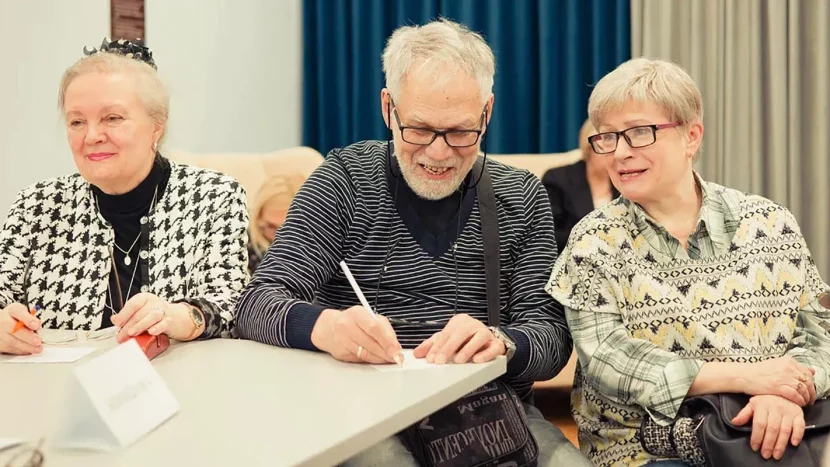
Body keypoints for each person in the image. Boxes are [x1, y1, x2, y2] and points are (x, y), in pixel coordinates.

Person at [235, 19, 589, 466]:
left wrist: (503, 342)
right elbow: (256, 303)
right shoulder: (345, 180)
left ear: (488, 112)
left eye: (461, 132)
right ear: (388, 108)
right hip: (360, 413)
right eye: (419, 129)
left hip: (490, 417)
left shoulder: (520, 196)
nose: (438, 154)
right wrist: (327, 326)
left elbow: (552, 338)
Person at [546, 57, 830, 467]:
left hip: (777, 435)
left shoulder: (768, 222)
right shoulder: (593, 241)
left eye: (639, 133)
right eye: (606, 137)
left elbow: (818, 335)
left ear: (691, 136)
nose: (620, 152)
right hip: (646, 452)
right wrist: (745, 379)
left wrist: (784, 392)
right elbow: (610, 360)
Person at [0, 39, 248, 355]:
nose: (91, 136)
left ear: (156, 127)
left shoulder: (214, 196)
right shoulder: (37, 205)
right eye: (77, 122)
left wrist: (180, 317)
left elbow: (233, 307)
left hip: (182, 386)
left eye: (112, 118)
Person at [542, 118, 618, 253]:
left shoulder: (624, 180)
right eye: (604, 150)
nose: (612, 157)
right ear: (588, 150)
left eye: (614, 150)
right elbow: (546, 234)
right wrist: (594, 237)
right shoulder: (558, 178)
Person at [247, 173, 305, 274]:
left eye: (289, 228)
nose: (279, 236)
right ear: (258, 218)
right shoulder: (239, 243)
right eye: (271, 226)